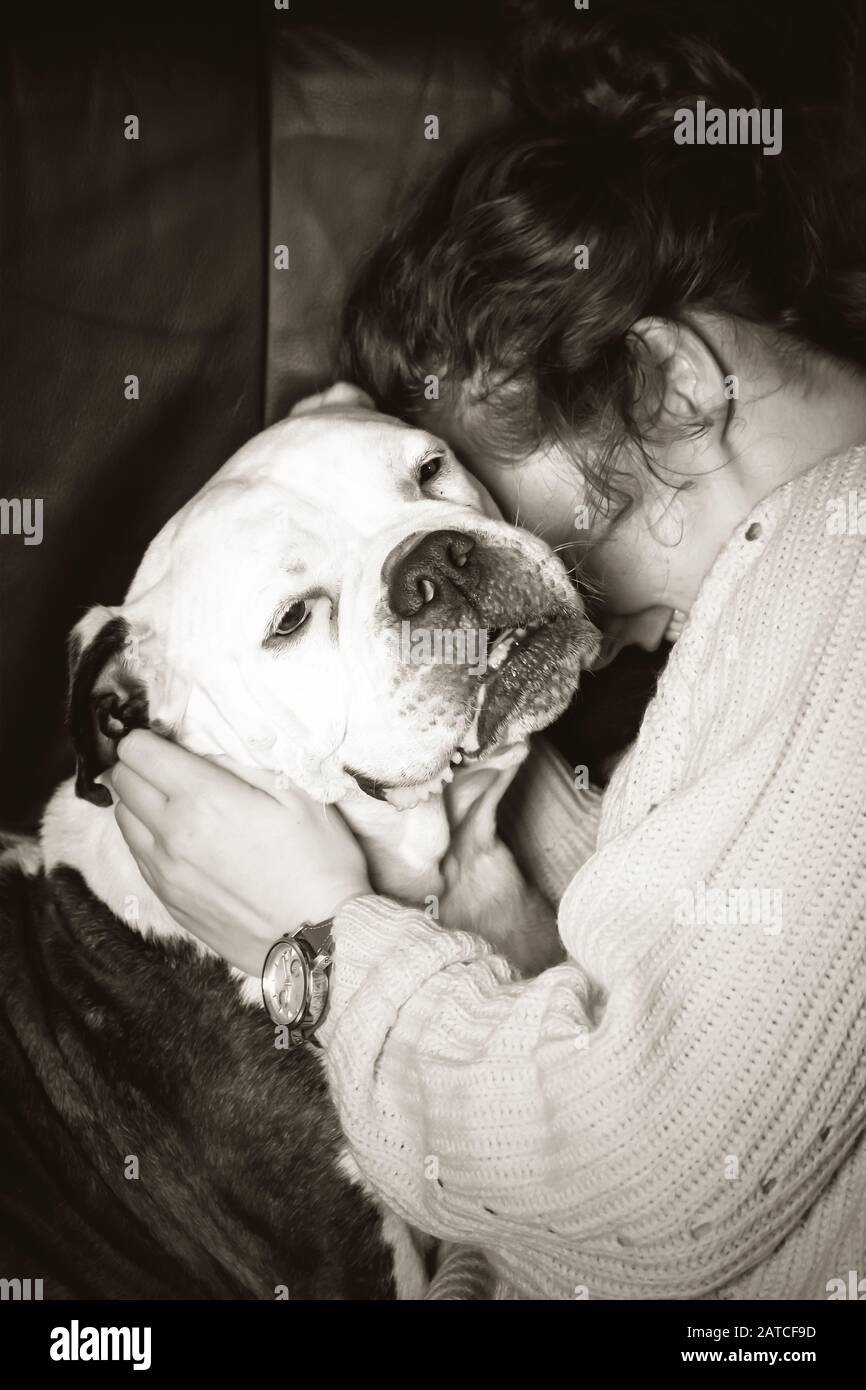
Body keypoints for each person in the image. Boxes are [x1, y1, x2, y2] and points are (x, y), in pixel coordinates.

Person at [108, 14, 866, 1298]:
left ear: (672, 388)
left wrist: (319, 940)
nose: (489, 560)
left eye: (477, 502)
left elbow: (650, 1175)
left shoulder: (837, 568)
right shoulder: (767, 601)